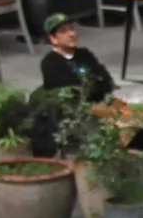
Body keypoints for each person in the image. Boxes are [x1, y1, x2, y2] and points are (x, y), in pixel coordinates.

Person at [31, 14, 113, 157]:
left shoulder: (84, 54)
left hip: (99, 106)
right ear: (53, 39)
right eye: (64, 31)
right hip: (75, 116)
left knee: (140, 120)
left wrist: (94, 86)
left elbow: (107, 81)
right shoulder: (50, 64)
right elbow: (75, 92)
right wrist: (94, 84)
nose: (71, 34)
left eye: (72, 29)